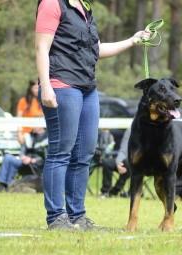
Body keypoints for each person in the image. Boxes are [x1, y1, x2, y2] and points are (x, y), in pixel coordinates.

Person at [35, 0, 150, 230]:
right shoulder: (52, 3)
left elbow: (96, 50)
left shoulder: (85, 8)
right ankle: (56, 217)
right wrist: (46, 86)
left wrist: (133, 40)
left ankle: (77, 216)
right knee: (61, 152)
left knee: (84, 153)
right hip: (62, 83)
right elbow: (41, 48)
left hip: (87, 87)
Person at [0, 128, 47, 193]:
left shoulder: (47, 137)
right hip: (24, 162)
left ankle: (9, 186)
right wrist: (23, 157)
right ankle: (3, 185)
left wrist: (33, 160)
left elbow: (47, 157)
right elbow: (22, 151)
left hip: (37, 164)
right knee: (8, 157)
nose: (33, 127)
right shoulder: (30, 136)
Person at [100, 128, 131, 198]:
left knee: (128, 164)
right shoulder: (128, 130)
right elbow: (123, 150)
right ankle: (105, 191)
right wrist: (118, 162)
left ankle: (115, 191)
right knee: (106, 163)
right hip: (122, 159)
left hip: (135, 162)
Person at [16, 80, 44, 145]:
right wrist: (19, 133)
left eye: (38, 88)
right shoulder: (23, 101)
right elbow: (18, 118)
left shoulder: (43, 101)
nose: (37, 90)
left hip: (39, 133)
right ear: (31, 88)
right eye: (35, 88)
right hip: (26, 133)